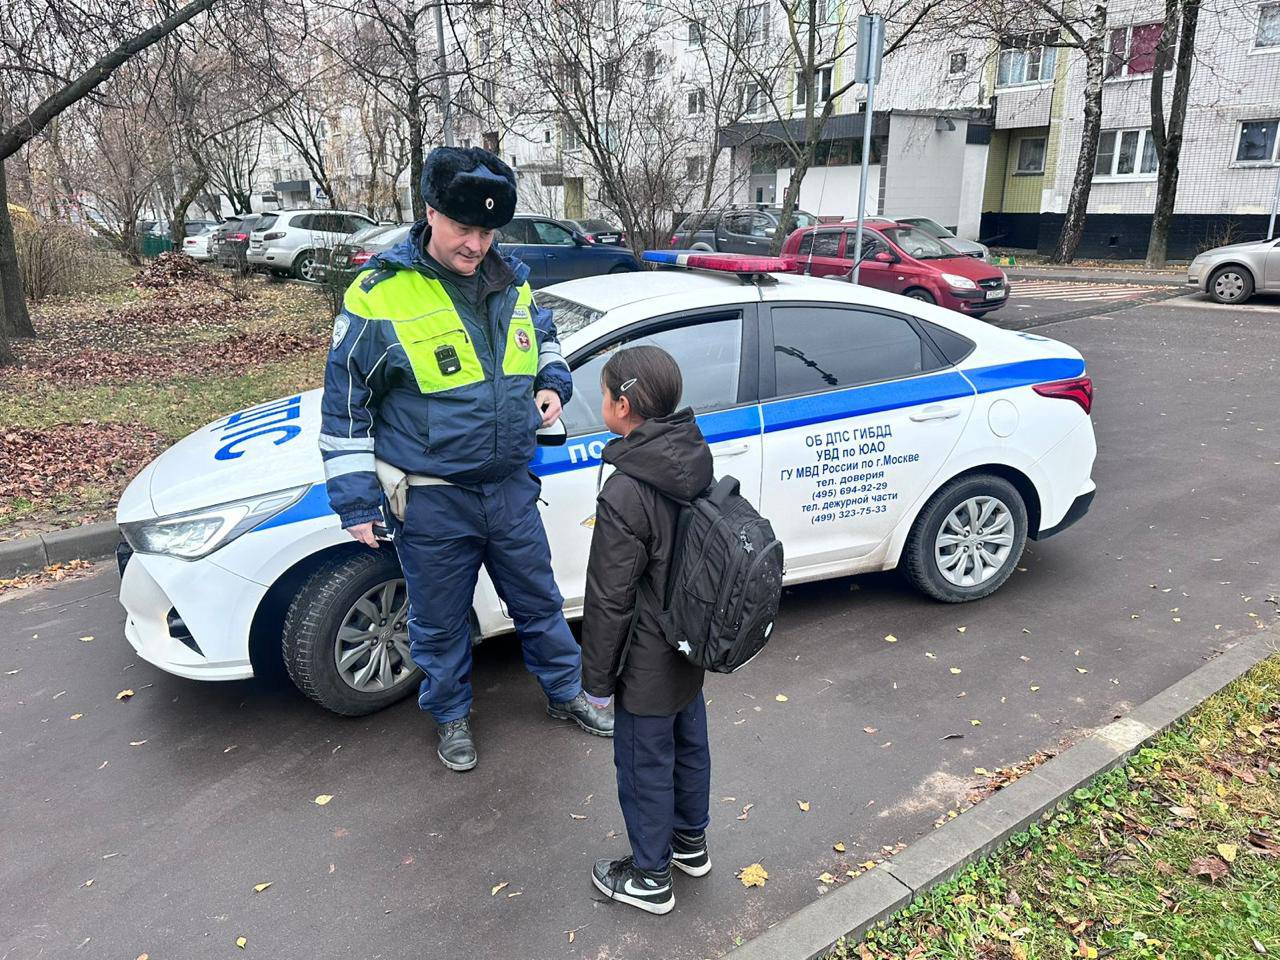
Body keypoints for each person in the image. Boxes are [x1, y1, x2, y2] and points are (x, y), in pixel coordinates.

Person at [318, 146, 612, 773]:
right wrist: (354, 500)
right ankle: (450, 717)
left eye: (487, 231)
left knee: (538, 603)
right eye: (464, 229)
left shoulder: (515, 280)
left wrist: (553, 384)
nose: (476, 244)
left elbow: (548, 342)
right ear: (430, 214)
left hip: (509, 489)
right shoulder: (379, 295)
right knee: (440, 623)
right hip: (431, 498)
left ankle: (567, 694)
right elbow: (345, 405)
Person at [580, 346, 715, 915]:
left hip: (646, 657)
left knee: (644, 764)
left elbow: (610, 598)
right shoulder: (692, 452)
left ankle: (650, 877)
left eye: (606, 393)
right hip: (690, 640)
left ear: (624, 404)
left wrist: (597, 681)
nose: (603, 402)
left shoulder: (626, 488)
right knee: (690, 746)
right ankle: (690, 844)